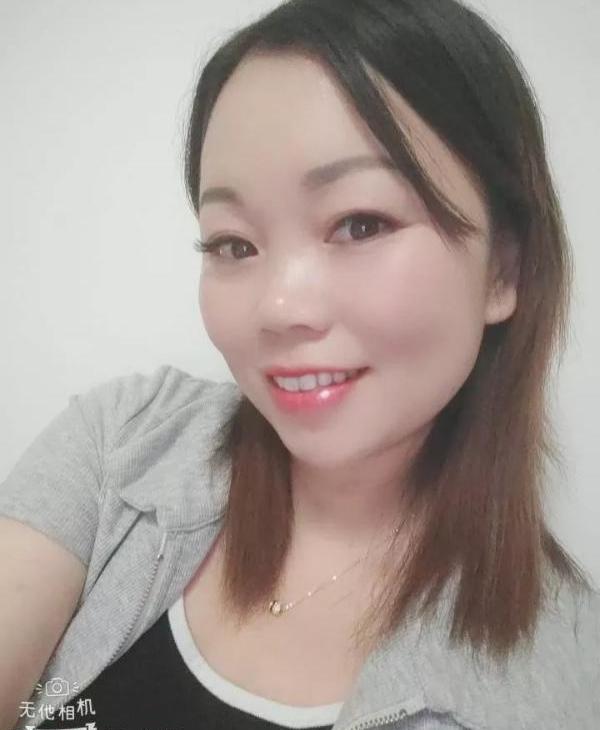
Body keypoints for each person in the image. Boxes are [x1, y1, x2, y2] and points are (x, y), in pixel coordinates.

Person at [1, 0, 598, 729]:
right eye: (234, 244)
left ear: (503, 269)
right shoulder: (125, 445)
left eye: (360, 223)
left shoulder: (569, 678)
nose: (280, 307)